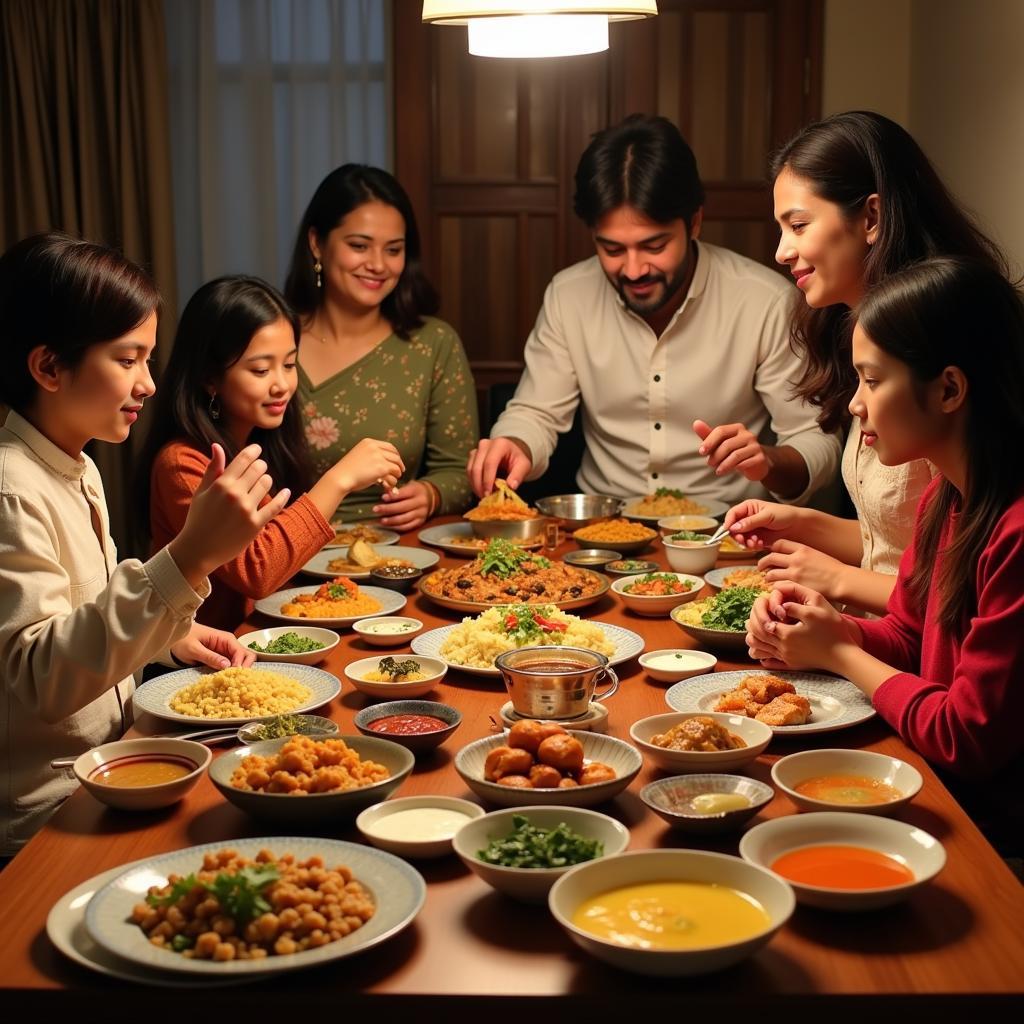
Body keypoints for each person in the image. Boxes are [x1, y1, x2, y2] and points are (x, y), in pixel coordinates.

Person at [0, 234, 291, 857]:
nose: (149, 385)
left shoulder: (77, 466)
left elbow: (86, 611)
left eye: (149, 360)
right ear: (49, 367)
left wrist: (171, 637)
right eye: (128, 360)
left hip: (118, 769)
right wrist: (190, 556)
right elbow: (40, 678)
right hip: (45, 818)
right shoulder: (11, 487)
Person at [746, 257, 1024, 850]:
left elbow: (965, 736)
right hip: (935, 788)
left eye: (872, 380)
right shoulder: (944, 499)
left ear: (948, 388)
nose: (855, 404)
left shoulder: (1015, 530)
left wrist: (843, 655)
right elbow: (909, 636)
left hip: (990, 837)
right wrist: (819, 630)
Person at [467, 114, 840, 505]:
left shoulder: (764, 301)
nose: (633, 270)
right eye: (611, 249)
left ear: (694, 222)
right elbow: (537, 411)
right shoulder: (569, 295)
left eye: (654, 246)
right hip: (601, 532)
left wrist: (767, 462)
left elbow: (815, 438)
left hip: (726, 534)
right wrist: (513, 443)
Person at [724, 112, 1008, 615]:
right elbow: (896, 544)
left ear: (871, 218)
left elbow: (964, 586)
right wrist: (799, 524)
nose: (781, 251)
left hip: (923, 661)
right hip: (876, 640)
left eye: (798, 225)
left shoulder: (934, 348)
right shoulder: (863, 339)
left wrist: (834, 579)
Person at [140, 276, 405, 632]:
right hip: (205, 663)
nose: (282, 384)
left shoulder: (263, 443)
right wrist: (339, 481)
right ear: (209, 378)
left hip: (263, 640)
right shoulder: (182, 463)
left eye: (290, 365)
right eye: (261, 370)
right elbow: (258, 571)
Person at [283, 164, 478, 531]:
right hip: (280, 554)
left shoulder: (432, 344)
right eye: (359, 246)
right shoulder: (273, 338)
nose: (377, 265)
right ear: (316, 243)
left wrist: (431, 494)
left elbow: (460, 472)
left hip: (398, 558)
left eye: (393, 250)